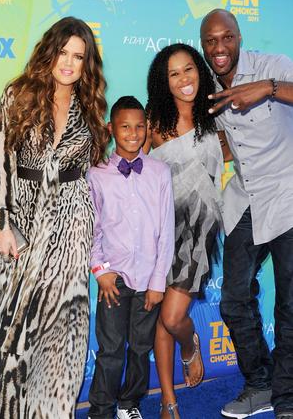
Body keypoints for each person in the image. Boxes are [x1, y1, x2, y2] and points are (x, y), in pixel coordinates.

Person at [0, 16, 108, 418]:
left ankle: (49, 411)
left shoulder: (90, 104)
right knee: (4, 327)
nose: (69, 63)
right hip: (20, 218)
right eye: (63, 53)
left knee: (58, 329)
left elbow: (92, 168)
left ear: (87, 64)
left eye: (79, 57)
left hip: (70, 222)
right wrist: (2, 222)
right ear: (49, 52)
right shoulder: (17, 94)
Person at [200, 8, 293, 419]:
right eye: (211, 41)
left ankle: (287, 397)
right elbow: (223, 144)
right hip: (246, 197)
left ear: (239, 36)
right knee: (234, 300)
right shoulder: (207, 85)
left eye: (227, 38)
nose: (220, 47)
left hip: (288, 193)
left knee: (289, 307)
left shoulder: (273, 67)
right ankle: (260, 384)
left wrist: (268, 88)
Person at [144, 43, 223, 419]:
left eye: (189, 69)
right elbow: (133, 171)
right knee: (163, 314)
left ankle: (190, 344)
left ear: (199, 71)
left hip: (200, 230)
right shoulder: (153, 123)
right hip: (163, 229)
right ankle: (168, 400)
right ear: (164, 80)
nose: (183, 79)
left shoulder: (216, 113)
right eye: (174, 73)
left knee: (174, 318)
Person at [87, 96, 175, 419]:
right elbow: (91, 228)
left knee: (140, 348)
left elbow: (166, 229)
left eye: (139, 127)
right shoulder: (96, 175)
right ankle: (100, 410)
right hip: (114, 277)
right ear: (111, 129)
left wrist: (158, 281)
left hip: (148, 279)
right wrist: (100, 270)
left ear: (148, 129)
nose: (133, 133)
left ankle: (129, 404)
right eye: (125, 127)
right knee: (111, 350)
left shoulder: (160, 173)